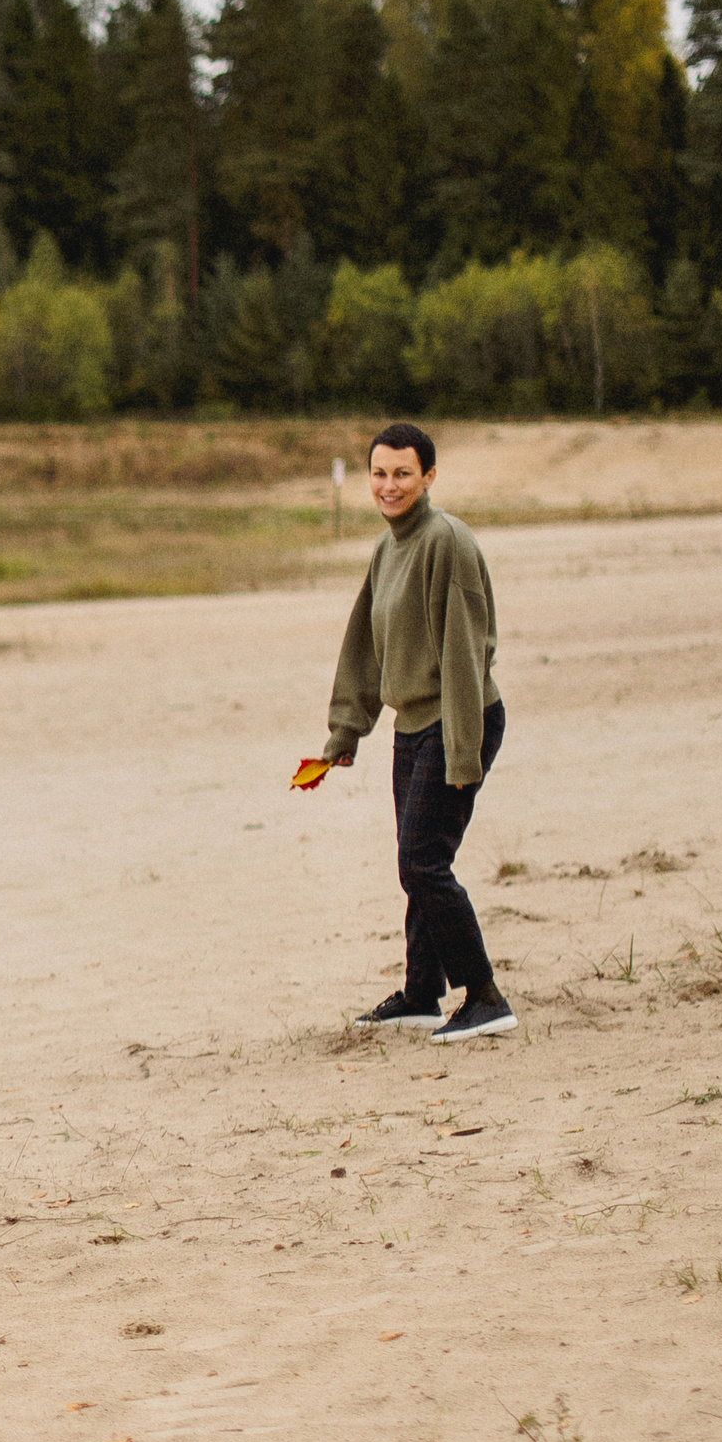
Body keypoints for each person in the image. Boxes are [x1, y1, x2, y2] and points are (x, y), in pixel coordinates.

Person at [315, 424, 514, 1043]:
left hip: (458, 718)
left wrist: (462, 750)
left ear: (428, 476)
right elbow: (365, 645)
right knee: (416, 860)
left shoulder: (446, 541)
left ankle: (485, 996)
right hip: (414, 724)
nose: (388, 485)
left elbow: (464, 652)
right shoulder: (388, 547)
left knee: (423, 862)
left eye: (402, 473)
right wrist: (345, 732)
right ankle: (422, 992)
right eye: (379, 473)